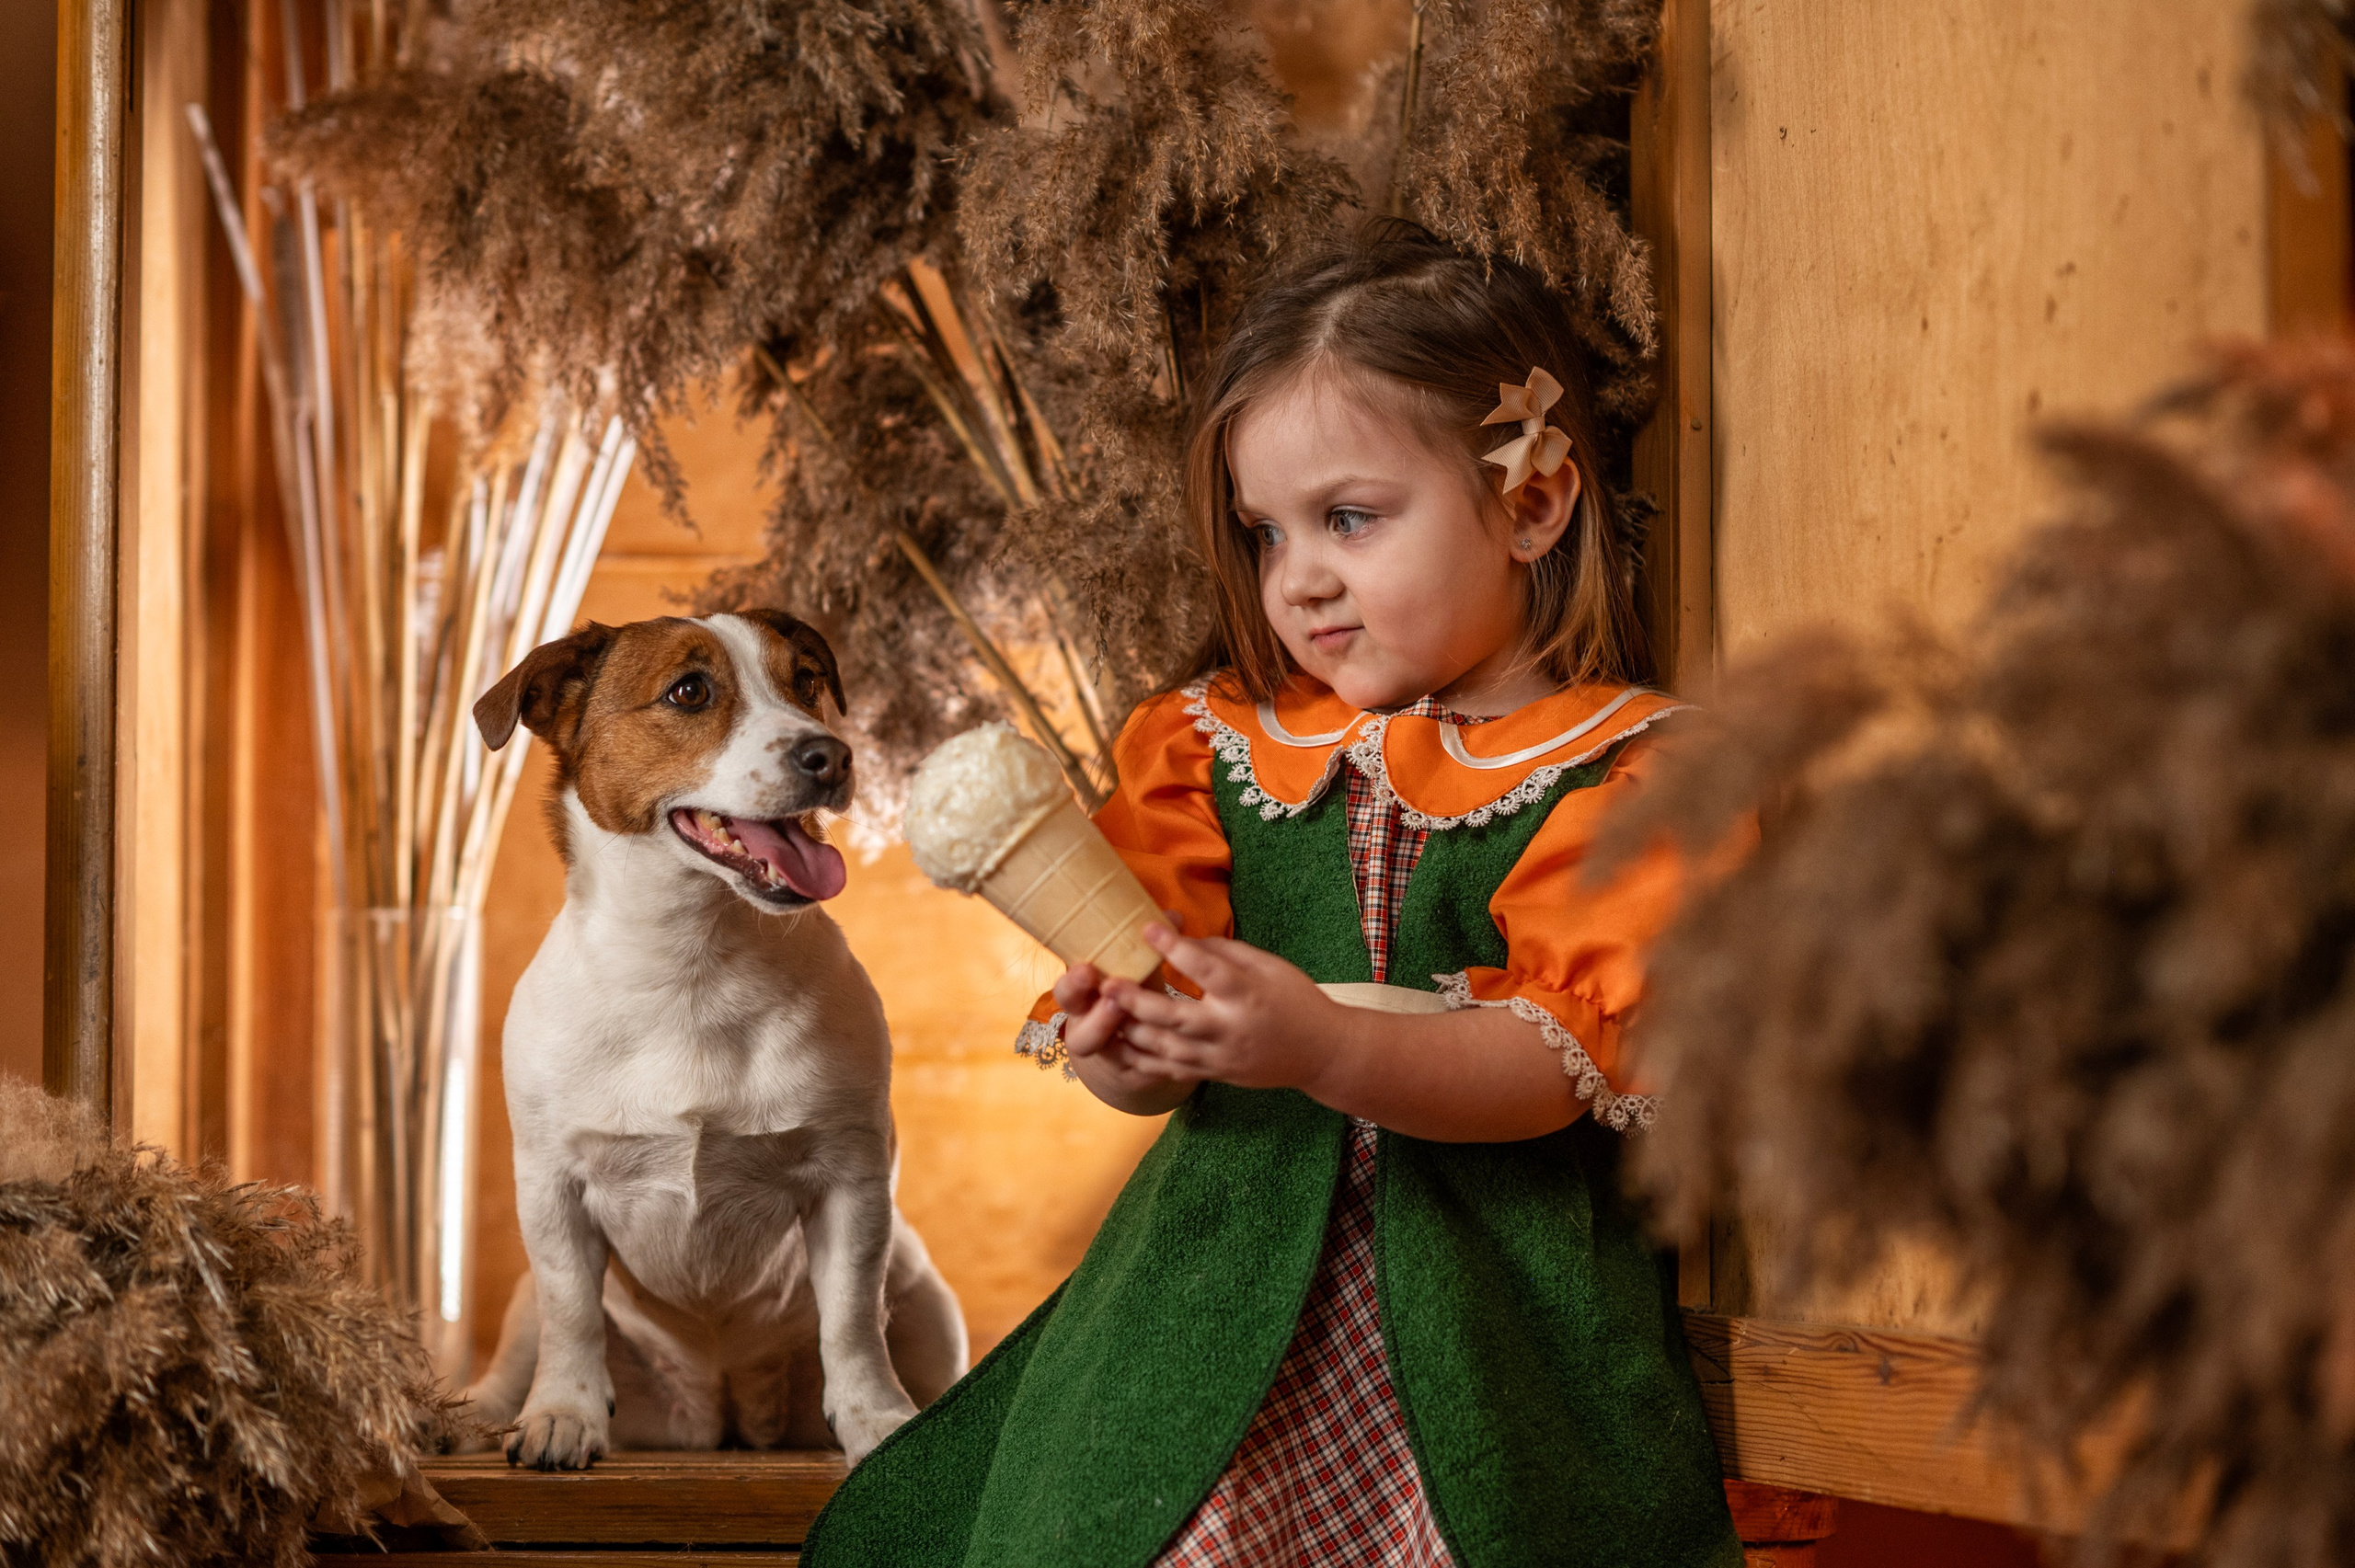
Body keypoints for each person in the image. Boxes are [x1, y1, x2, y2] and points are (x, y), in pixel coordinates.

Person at [802, 223, 1740, 1568]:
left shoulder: (1628, 775)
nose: (1296, 577)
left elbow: (1551, 1066)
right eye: (1266, 531)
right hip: (1205, 1305)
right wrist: (1125, 1045)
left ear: (1532, 503)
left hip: (1488, 1324)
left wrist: (1322, 1046)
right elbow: (1159, 1061)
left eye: (1350, 518)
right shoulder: (1213, 746)